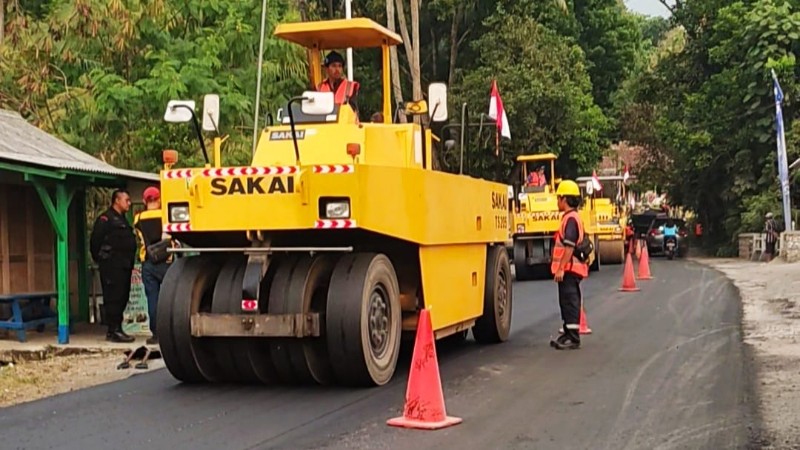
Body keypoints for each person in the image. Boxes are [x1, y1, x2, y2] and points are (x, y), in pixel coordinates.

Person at [90, 189, 137, 343]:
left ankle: (117, 328)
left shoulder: (122, 219)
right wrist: (101, 259)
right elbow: (95, 241)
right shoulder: (105, 219)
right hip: (112, 266)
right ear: (117, 200)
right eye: (126, 200)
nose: (129, 203)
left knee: (123, 296)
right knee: (113, 297)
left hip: (124, 266)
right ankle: (113, 330)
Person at [133, 187, 176, 345]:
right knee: (170, 298)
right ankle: (169, 332)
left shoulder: (138, 219)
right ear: (159, 200)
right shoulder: (165, 216)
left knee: (152, 298)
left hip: (148, 262)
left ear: (145, 201)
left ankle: (156, 334)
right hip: (166, 261)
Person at [549, 180, 589, 350]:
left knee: (570, 300)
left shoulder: (571, 219)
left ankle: (573, 337)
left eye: (558, 198)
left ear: (564, 199)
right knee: (566, 301)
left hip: (570, 269)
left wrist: (561, 268)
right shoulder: (571, 218)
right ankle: (568, 331)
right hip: (571, 268)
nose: (557, 201)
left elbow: (569, 246)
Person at [317, 51, 359, 115]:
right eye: (333, 66)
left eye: (340, 66)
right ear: (326, 69)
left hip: (346, 123)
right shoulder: (319, 88)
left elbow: (353, 111)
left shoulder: (350, 86)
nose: (337, 69)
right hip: (325, 123)